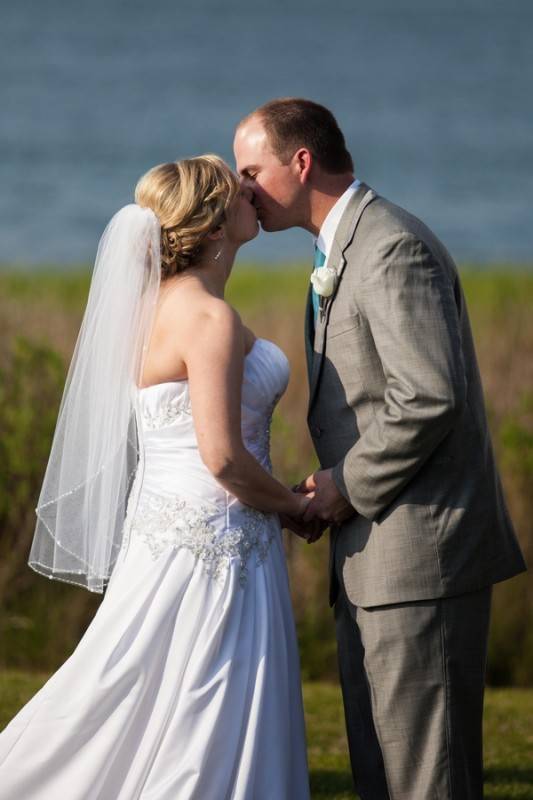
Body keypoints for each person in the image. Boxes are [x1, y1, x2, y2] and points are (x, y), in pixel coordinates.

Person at [234, 98, 527, 800]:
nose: (240, 187)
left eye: (251, 170)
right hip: (374, 559)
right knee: (381, 776)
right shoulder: (339, 247)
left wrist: (340, 487)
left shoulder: (390, 245)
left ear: (300, 163)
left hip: (420, 561)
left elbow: (427, 396)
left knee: (427, 779)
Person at [0, 155, 311, 799]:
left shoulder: (152, 310)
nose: (250, 193)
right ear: (215, 224)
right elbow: (222, 458)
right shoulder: (208, 319)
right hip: (218, 544)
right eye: (236, 191)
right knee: (201, 698)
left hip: (169, 531)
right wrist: (293, 506)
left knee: (131, 685)